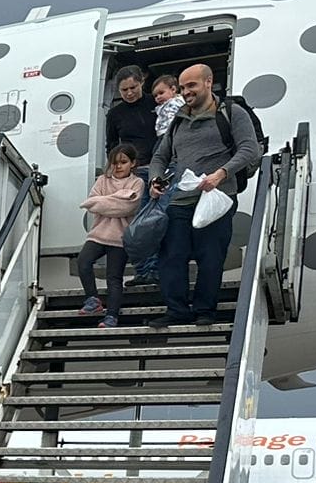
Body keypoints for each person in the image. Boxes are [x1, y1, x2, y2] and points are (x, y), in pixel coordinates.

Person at [147, 64, 261, 327]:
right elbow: (160, 156)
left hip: (217, 198)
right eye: (183, 86)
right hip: (181, 198)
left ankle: (204, 310)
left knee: (211, 255)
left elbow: (249, 149)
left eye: (192, 85)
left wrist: (221, 173)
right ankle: (176, 309)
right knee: (171, 254)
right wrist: (155, 179)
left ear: (208, 82)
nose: (186, 92)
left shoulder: (232, 113)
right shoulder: (177, 120)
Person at [77, 143, 145, 328]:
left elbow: (129, 206)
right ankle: (92, 298)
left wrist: (104, 201)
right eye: (115, 162)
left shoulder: (137, 183)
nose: (118, 166)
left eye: (123, 162)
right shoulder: (101, 180)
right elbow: (92, 203)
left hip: (120, 238)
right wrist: (121, 196)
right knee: (83, 261)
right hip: (98, 233)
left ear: (133, 163)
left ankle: (111, 316)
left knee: (113, 277)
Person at [104, 64, 156, 160]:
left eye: (133, 88)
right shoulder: (114, 114)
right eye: (124, 90)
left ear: (142, 82)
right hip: (135, 165)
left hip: (162, 161)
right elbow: (111, 145)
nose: (129, 93)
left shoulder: (156, 101)